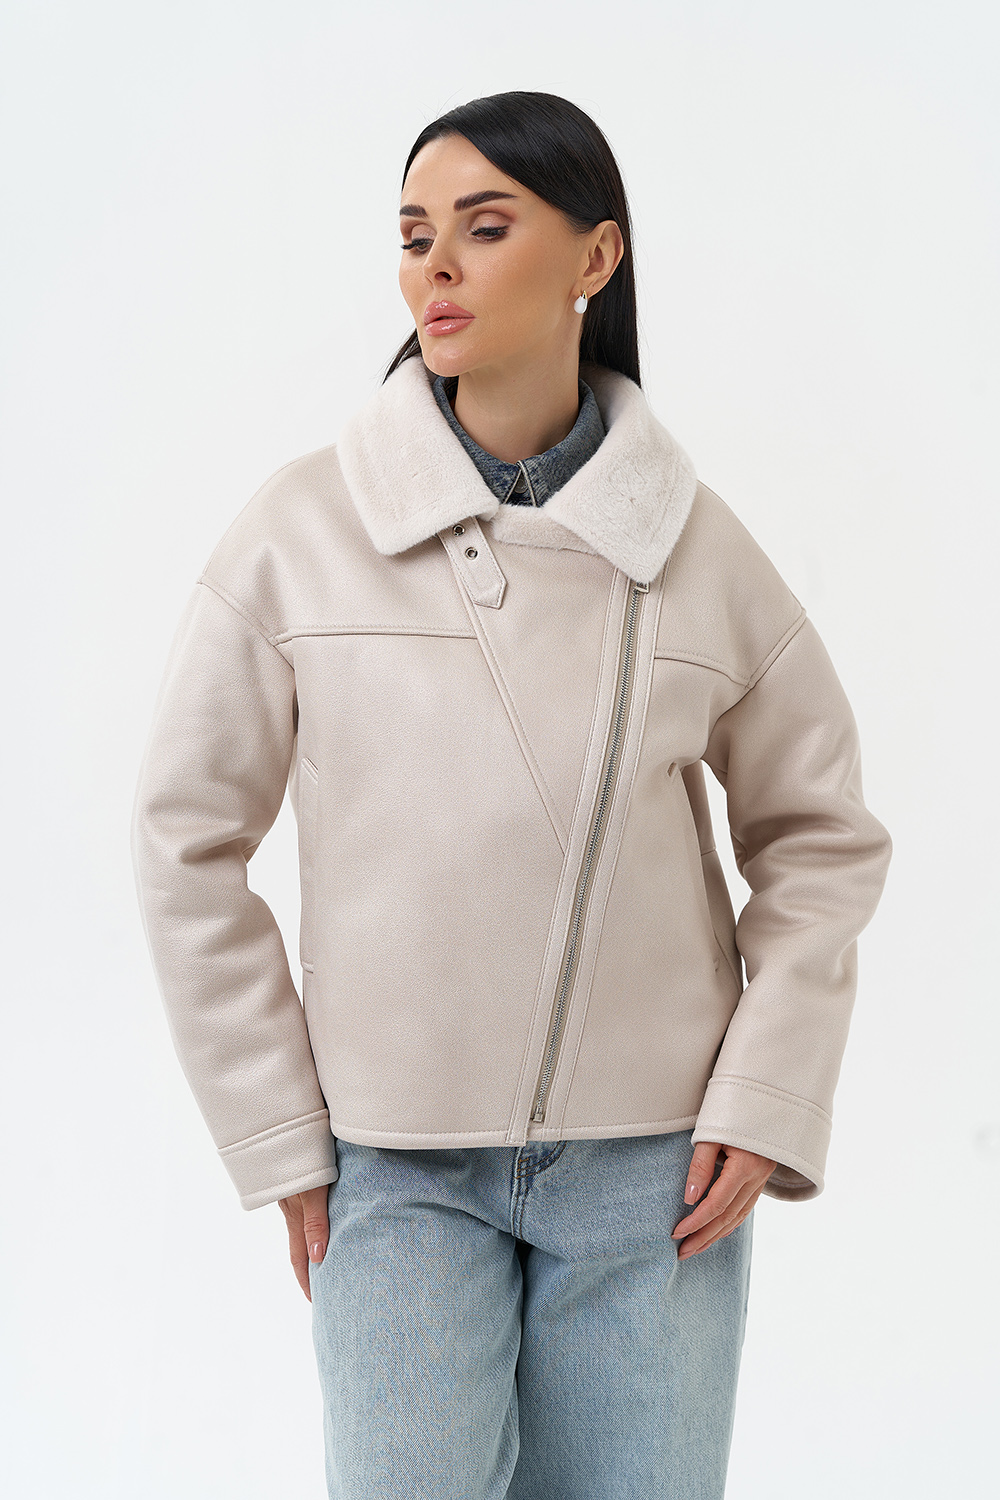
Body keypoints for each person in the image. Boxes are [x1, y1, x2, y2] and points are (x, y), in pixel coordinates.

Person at [131, 91, 893, 1499]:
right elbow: (185, 838)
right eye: (415, 233)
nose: (437, 265)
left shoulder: (695, 547)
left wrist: (770, 1088)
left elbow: (822, 833)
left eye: (486, 228)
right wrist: (278, 1128)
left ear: (596, 256)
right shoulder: (302, 531)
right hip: (395, 1169)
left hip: (656, 1177)